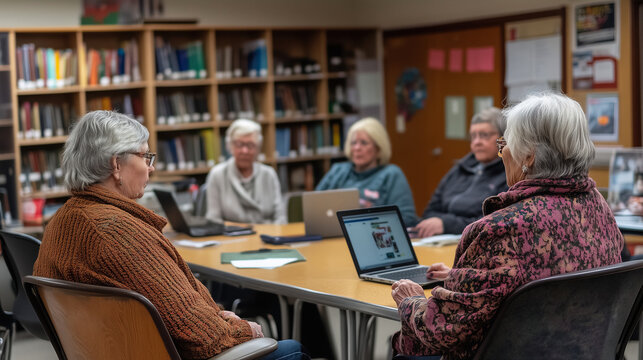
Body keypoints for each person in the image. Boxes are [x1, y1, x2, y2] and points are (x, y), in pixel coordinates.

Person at [33, 111, 308, 360]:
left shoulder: (61, 221)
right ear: (116, 165)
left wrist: (218, 316)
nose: (151, 167)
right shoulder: (118, 233)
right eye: (145, 156)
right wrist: (244, 329)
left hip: (110, 350)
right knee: (292, 349)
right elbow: (205, 338)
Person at [390, 93, 624, 360]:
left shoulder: (501, 228)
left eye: (504, 144)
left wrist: (412, 301)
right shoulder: (598, 207)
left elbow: (440, 330)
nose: (502, 153)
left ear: (529, 156)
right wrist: (464, 276)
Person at [413, 107, 507, 238]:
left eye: (485, 135)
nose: (477, 142)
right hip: (439, 242)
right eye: (473, 136)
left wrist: (446, 224)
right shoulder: (460, 168)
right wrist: (440, 223)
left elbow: (493, 222)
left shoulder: (509, 175)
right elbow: (429, 212)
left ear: (503, 139)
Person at [316, 117, 418, 226]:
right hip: (334, 234)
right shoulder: (338, 170)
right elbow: (314, 206)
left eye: (364, 143)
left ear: (378, 148)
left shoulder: (391, 174)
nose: (357, 148)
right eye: (353, 143)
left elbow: (407, 217)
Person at [205, 118, 286, 224]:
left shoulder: (269, 174)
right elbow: (213, 220)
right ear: (230, 146)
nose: (245, 151)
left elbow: (281, 218)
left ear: (258, 148)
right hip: (232, 237)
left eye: (250, 145)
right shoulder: (217, 175)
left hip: (267, 236)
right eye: (239, 144)